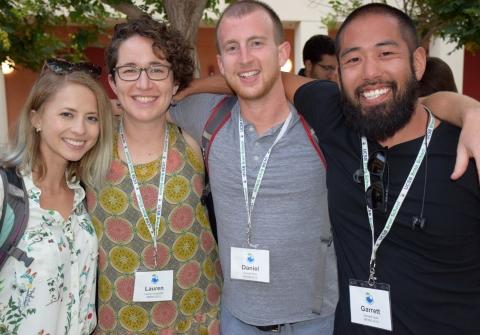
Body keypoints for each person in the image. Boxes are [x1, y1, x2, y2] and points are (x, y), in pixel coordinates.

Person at [290, 3, 480, 334]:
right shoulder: (336, 118)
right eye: (352, 59)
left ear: (418, 62)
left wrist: (468, 111)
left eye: (386, 53)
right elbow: (259, 75)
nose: (369, 72)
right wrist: (188, 88)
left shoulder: (469, 152)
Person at [169, 1, 337, 334]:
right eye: (233, 48)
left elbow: (411, 108)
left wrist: (467, 112)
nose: (245, 58)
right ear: (220, 62)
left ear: (282, 51)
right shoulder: (206, 115)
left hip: (314, 319)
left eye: (257, 43)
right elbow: (145, 108)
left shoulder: (322, 122)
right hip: (237, 318)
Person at [87, 15, 221, 334]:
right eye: (130, 70)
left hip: (199, 320)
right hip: (118, 324)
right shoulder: (89, 152)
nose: (144, 83)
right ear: (113, 82)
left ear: (175, 82)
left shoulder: (196, 143)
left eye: (157, 70)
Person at [0, 59, 113, 335]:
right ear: (36, 118)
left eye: (91, 118)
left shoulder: (83, 195)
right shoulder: (7, 190)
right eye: (66, 114)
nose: (80, 129)